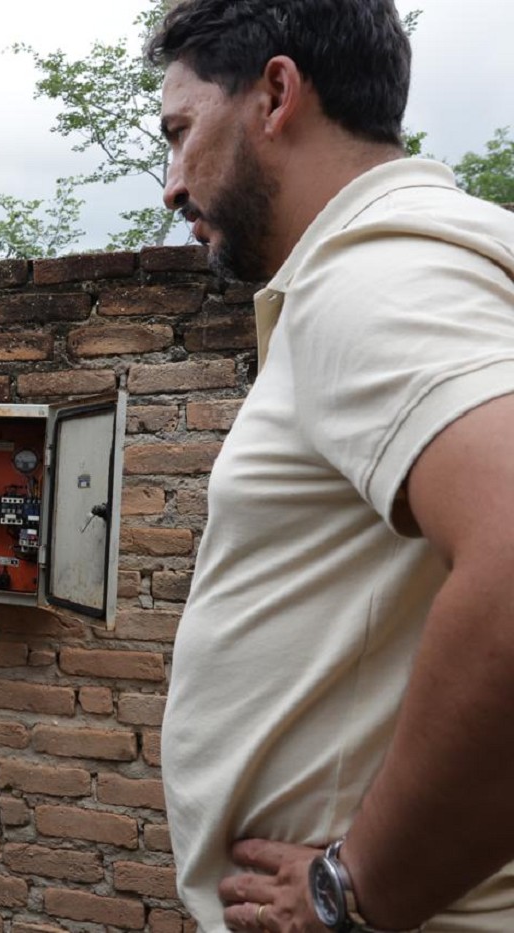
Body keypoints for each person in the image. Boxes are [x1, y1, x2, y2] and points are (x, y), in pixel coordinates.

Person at [150, 1, 514, 930]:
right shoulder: (431, 263)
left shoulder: (373, 278)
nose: (171, 185)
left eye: (182, 133)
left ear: (276, 93)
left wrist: (358, 890)